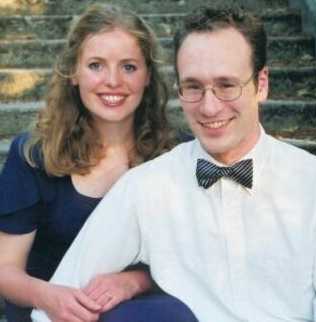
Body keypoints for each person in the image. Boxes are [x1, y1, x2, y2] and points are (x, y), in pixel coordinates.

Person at [32, 4, 316, 322]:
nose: (210, 106)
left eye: (227, 85)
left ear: (262, 84)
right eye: (193, 87)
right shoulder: (144, 187)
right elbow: (58, 305)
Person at [0, 3, 197, 322]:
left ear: (148, 76)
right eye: (96, 65)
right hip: (53, 312)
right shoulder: (34, 155)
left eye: (129, 67)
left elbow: (195, 258)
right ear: (73, 73)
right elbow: (5, 271)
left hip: (146, 310)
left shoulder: (177, 153)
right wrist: (50, 297)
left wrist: (134, 281)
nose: (113, 81)